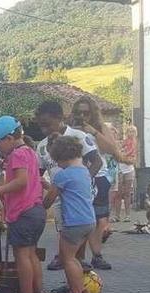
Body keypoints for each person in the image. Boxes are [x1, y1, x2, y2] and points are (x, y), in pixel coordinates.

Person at [0, 116, 47, 293]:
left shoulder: (17, 155)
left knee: (22, 256)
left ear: (9, 138)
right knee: (31, 255)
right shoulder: (28, 151)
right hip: (36, 210)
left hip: (24, 212)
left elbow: (21, 181)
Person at [35, 100, 104, 271]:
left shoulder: (79, 137)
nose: (44, 130)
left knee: (75, 236)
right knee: (66, 233)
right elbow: (37, 172)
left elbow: (97, 161)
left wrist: (83, 181)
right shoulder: (43, 146)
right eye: (41, 127)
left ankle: (78, 270)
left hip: (80, 196)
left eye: (47, 125)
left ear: (59, 118)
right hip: (58, 196)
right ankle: (75, 271)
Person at [70, 96, 129, 268]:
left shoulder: (99, 127)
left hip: (99, 177)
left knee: (98, 218)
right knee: (80, 218)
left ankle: (97, 255)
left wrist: (93, 131)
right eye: (79, 112)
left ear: (93, 113)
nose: (83, 116)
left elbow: (111, 149)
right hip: (78, 175)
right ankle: (76, 257)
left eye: (86, 113)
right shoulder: (70, 130)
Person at [42, 136, 96, 293]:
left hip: (74, 223)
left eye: (58, 161)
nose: (57, 165)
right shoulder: (84, 171)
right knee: (75, 259)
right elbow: (67, 189)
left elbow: (49, 200)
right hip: (88, 220)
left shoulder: (62, 175)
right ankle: (78, 286)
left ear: (61, 157)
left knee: (68, 258)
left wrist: (39, 205)